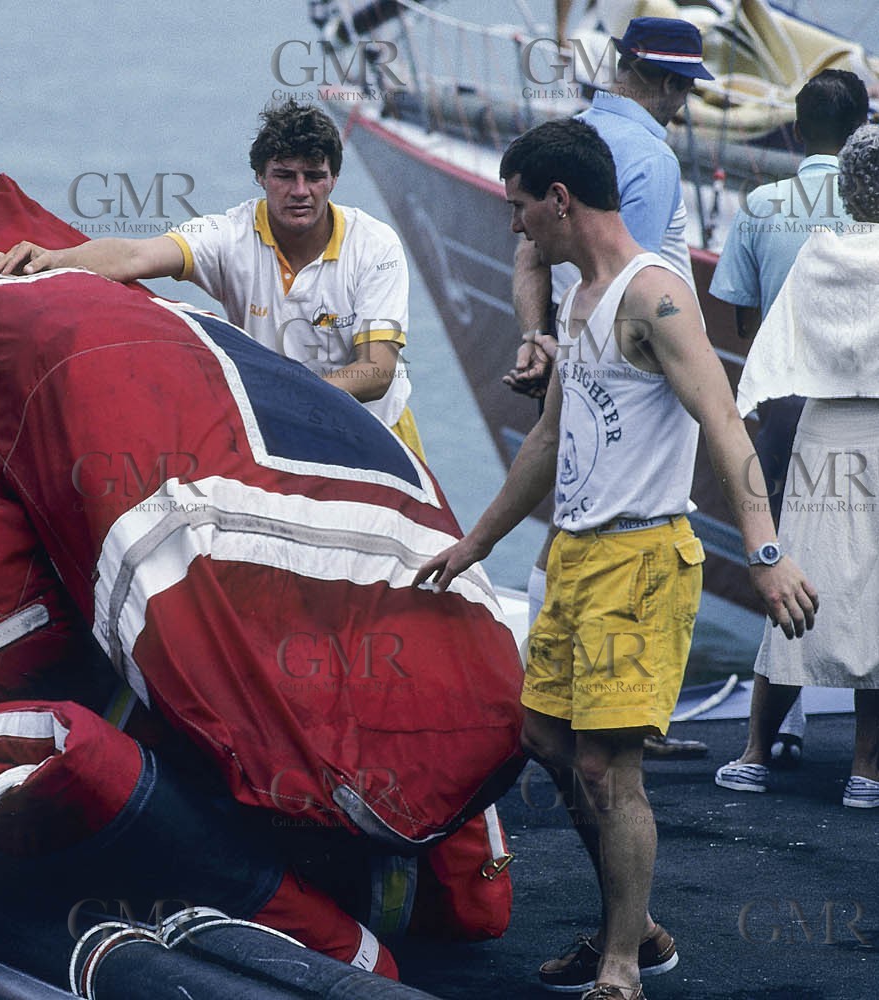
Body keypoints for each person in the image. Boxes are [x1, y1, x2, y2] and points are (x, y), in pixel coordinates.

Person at [415, 118, 816, 1000]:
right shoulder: (581, 301)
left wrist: (766, 553)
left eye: (521, 209)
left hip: (641, 558)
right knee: (546, 741)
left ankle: (623, 966)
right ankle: (634, 928)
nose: (516, 228)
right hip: (576, 557)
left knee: (607, 766)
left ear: (561, 200)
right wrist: (476, 542)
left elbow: (723, 422)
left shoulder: (655, 294)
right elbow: (549, 440)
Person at [0, 99, 425, 457]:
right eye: (284, 176)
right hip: (284, 434)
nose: (300, 191)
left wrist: (283, 398)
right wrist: (54, 259)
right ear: (260, 177)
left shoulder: (375, 246)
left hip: (378, 431)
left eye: (314, 176)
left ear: (334, 179)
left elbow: (376, 372)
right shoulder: (230, 235)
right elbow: (136, 254)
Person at [506, 15, 712, 763]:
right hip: (636, 372)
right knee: (618, 521)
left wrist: (539, 340)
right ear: (663, 81)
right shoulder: (651, 159)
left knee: (567, 513)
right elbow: (629, 278)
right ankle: (621, 719)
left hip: (574, 352)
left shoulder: (568, 136)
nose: (683, 106)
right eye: (684, 91)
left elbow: (532, 258)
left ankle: (557, 705)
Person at [714, 123, 879, 809]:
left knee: (797, 584)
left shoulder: (819, 250)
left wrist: (748, 403)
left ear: (845, 187)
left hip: (822, 431)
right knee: (873, 596)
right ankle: (867, 772)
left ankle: (755, 751)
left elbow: (777, 341)